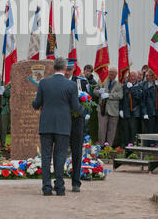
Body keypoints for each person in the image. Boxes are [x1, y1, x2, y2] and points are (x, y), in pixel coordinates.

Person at [32, 57, 84, 196]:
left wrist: (34, 101)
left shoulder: (43, 83)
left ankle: (47, 188)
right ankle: (60, 187)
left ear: (53, 67)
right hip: (63, 124)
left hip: (46, 124)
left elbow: (36, 104)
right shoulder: (71, 85)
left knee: (46, 156)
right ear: (65, 67)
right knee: (60, 156)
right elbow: (75, 106)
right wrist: (83, 109)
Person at [65, 59, 88, 191]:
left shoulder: (81, 81)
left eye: (70, 69)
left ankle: (76, 182)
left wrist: (83, 111)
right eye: (66, 69)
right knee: (61, 152)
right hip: (63, 121)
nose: (67, 72)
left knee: (77, 152)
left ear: (73, 69)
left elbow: (87, 99)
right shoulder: (59, 82)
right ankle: (59, 180)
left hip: (77, 121)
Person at [94, 67, 123, 146]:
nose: (111, 74)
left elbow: (120, 95)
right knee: (101, 129)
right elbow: (95, 92)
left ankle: (108, 147)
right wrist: (99, 92)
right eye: (110, 72)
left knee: (112, 130)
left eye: (113, 73)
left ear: (116, 74)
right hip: (102, 109)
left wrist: (109, 95)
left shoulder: (119, 83)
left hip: (113, 110)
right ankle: (101, 146)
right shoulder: (101, 81)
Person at [141, 70, 158, 138]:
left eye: (152, 75)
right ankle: (152, 145)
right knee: (151, 131)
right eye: (149, 76)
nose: (151, 77)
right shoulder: (146, 85)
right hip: (151, 112)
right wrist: (145, 112)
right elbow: (143, 100)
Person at [119, 71, 143, 147]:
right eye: (130, 76)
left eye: (134, 76)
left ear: (136, 77)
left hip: (134, 111)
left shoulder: (139, 85)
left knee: (133, 130)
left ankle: (133, 145)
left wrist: (132, 88)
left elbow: (139, 97)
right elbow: (121, 99)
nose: (132, 78)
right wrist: (121, 109)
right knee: (125, 130)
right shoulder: (124, 86)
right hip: (126, 111)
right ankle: (125, 145)